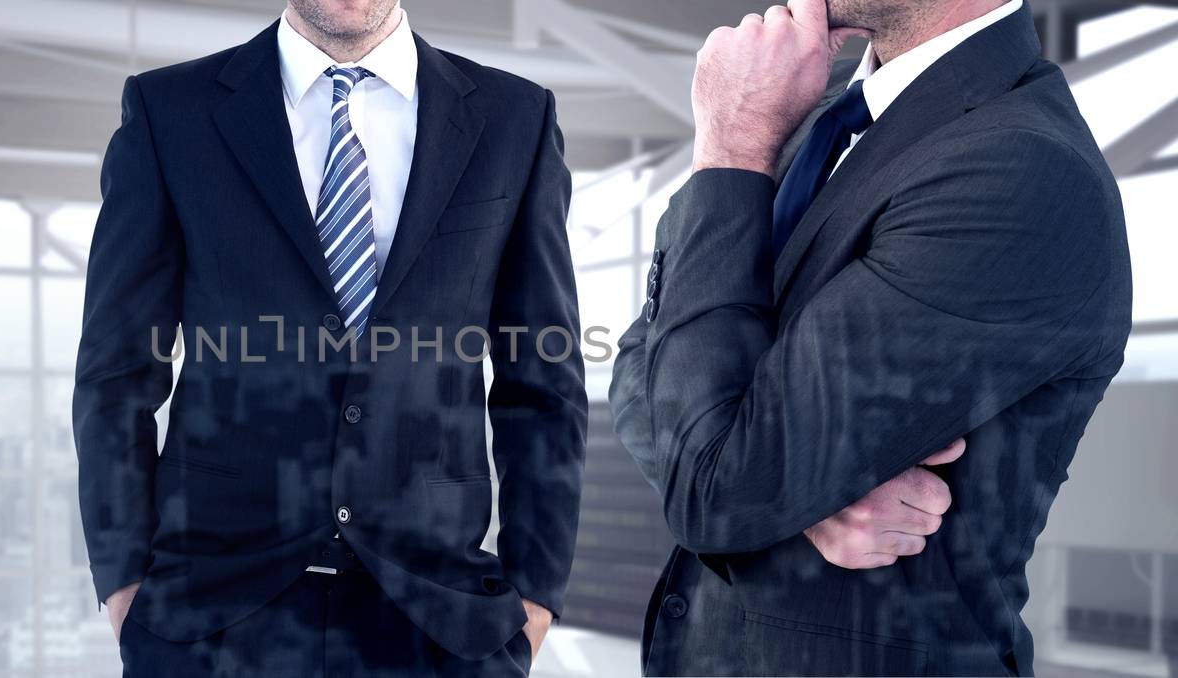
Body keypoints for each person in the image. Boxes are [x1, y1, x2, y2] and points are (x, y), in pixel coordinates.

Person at [609, 0, 1131, 674]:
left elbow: (720, 484)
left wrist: (731, 144)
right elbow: (639, 368)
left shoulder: (1021, 166)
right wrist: (793, 496)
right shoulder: (801, 114)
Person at [73, 1, 586, 675]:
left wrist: (537, 594)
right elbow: (116, 371)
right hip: (211, 614)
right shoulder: (171, 111)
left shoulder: (514, 118)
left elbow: (542, 380)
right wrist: (121, 580)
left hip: (441, 618)